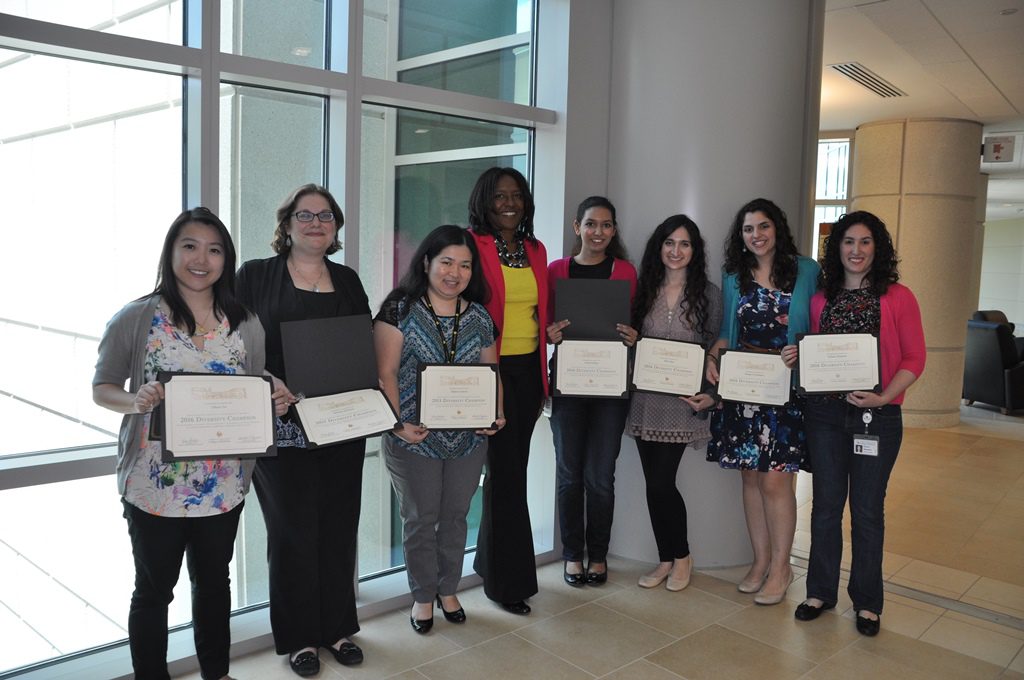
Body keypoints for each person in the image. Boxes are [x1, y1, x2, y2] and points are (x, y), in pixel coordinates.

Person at [93, 207, 285, 680]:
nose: (202, 258)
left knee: (215, 586)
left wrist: (273, 393)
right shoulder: (138, 318)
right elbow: (103, 387)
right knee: (154, 592)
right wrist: (135, 400)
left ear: (226, 259)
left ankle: (217, 674)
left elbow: (254, 379)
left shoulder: (245, 322)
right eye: (190, 246)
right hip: (153, 485)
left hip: (222, 484)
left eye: (214, 249)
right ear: (172, 253)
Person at [236, 184, 370, 676]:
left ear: (335, 227)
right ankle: (298, 639)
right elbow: (235, 343)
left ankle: (337, 629)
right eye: (305, 215)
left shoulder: (348, 279)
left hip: (341, 423)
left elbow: (360, 343)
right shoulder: (254, 276)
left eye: (326, 216)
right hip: (281, 424)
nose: (316, 223)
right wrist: (269, 379)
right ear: (286, 223)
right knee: (292, 532)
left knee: (338, 527)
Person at [787, 211, 925, 636]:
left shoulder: (899, 297)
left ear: (877, 248)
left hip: (877, 417)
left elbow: (914, 358)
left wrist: (884, 396)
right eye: (848, 241)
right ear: (837, 248)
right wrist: (798, 357)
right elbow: (818, 354)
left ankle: (866, 601)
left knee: (867, 512)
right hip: (825, 415)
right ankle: (820, 591)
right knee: (826, 506)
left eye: (865, 242)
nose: (857, 250)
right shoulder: (820, 299)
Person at [374, 224, 505, 634]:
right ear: (427, 261)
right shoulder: (399, 309)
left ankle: (449, 588)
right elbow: (386, 374)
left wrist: (496, 413)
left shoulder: (479, 314)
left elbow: (491, 371)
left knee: (456, 516)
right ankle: (422, 596)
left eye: (465, 265)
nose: (455, 272)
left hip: (467, 438)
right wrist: (397, 425)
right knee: (420, 517)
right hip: (415, 437)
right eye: (447, 261)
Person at [705, 198, 819, 605]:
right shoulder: (734, 274)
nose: (756, 235)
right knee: (750, 478)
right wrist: (713, 360)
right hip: (744, 391)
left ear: (778, 229)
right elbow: (725, 331)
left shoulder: (807, 270)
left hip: (786, 391)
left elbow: (819, 329)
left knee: (776, 480)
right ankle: (760, 561)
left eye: (764, 227)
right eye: (749, 229)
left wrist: (803, 351)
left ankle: (783, 567)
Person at [467, 167, 549, 614]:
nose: (509, 203)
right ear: (485, 200)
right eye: (499, 196)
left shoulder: (535, 249)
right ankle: (507, 583)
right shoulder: (471, 246)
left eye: (516, 195)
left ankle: (487, 562)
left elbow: (539, 308)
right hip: (489, 371)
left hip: (529, 372)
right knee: (506, 476)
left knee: (511, 471)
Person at [546, 196, 637, 587]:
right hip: (568, 383)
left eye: (605, 225)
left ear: (613, 231)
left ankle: (597, 555)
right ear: (576, 227)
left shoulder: (626, 273)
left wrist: (636, 337)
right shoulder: (555, 271)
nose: (597, 232)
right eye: (590, 224)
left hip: (610, 386)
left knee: (601, 475)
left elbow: (635, 323)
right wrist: (547, 334)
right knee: (569, 474)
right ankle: (571, 554)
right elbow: (545, 322)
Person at [627, 215, 722, 591]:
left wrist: (711, 394)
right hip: (645, 399)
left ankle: (682, 556)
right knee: (653, 484)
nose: (676, 251)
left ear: (694, 251)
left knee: (664, 482)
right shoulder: (643, 289)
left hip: (683, 404)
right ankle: (665, 559)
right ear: (659, 247)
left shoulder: (709, 294)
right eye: (669, 243)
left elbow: (716, 346)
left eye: (684, 244)